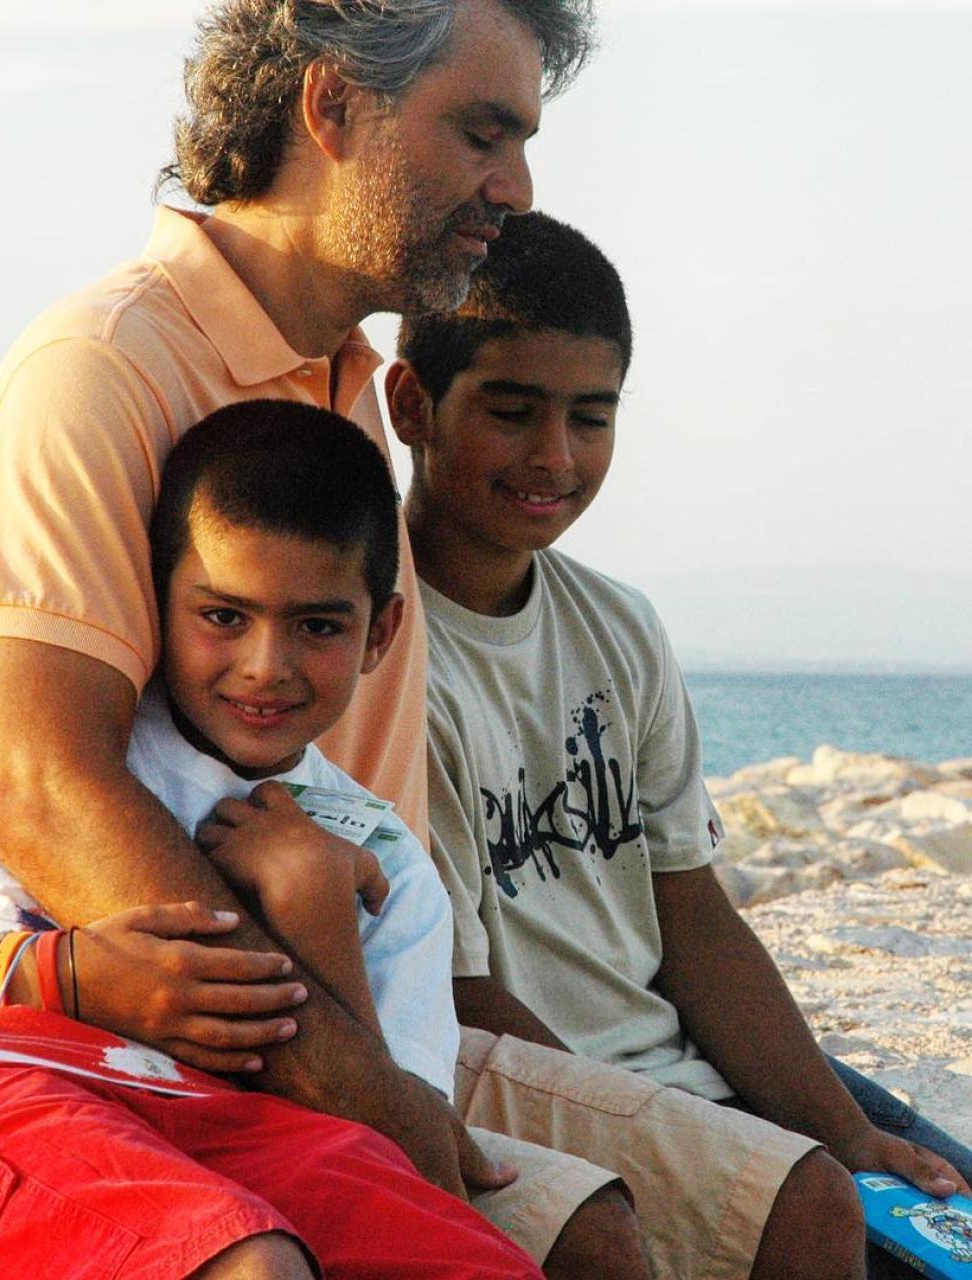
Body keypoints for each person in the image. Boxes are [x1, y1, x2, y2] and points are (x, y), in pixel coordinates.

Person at [0, 0, 593, 1210]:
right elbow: (44, 795)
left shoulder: (349, 394)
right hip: (180, 1054)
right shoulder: (99, 369)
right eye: (481, 134)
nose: (516, 189)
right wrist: (376, 1100)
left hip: (376, 1008)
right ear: (332, 107)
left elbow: (364, 834)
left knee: (788, 1196)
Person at [0, 402, 544, 1280]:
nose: (265, 666)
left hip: (238, 1130)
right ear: (155, 601)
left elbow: (410, 1155)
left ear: (380, 633)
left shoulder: (381, 862)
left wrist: (313, 904)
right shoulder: (17, 717)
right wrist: (60, 975)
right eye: (224, 616)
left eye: (317, 626)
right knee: (249, 1263)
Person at [385, 209, 972, 1280]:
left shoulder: (619, 626)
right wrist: (699, 1145)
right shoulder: (382, 660)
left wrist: (842, 1130)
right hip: (566, 1107)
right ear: (411, 405)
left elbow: (692, 916)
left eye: (591, 417)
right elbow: (461, 1000)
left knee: (945, 1205)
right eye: (511, 411)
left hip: (693, 1072)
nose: (554, 456)